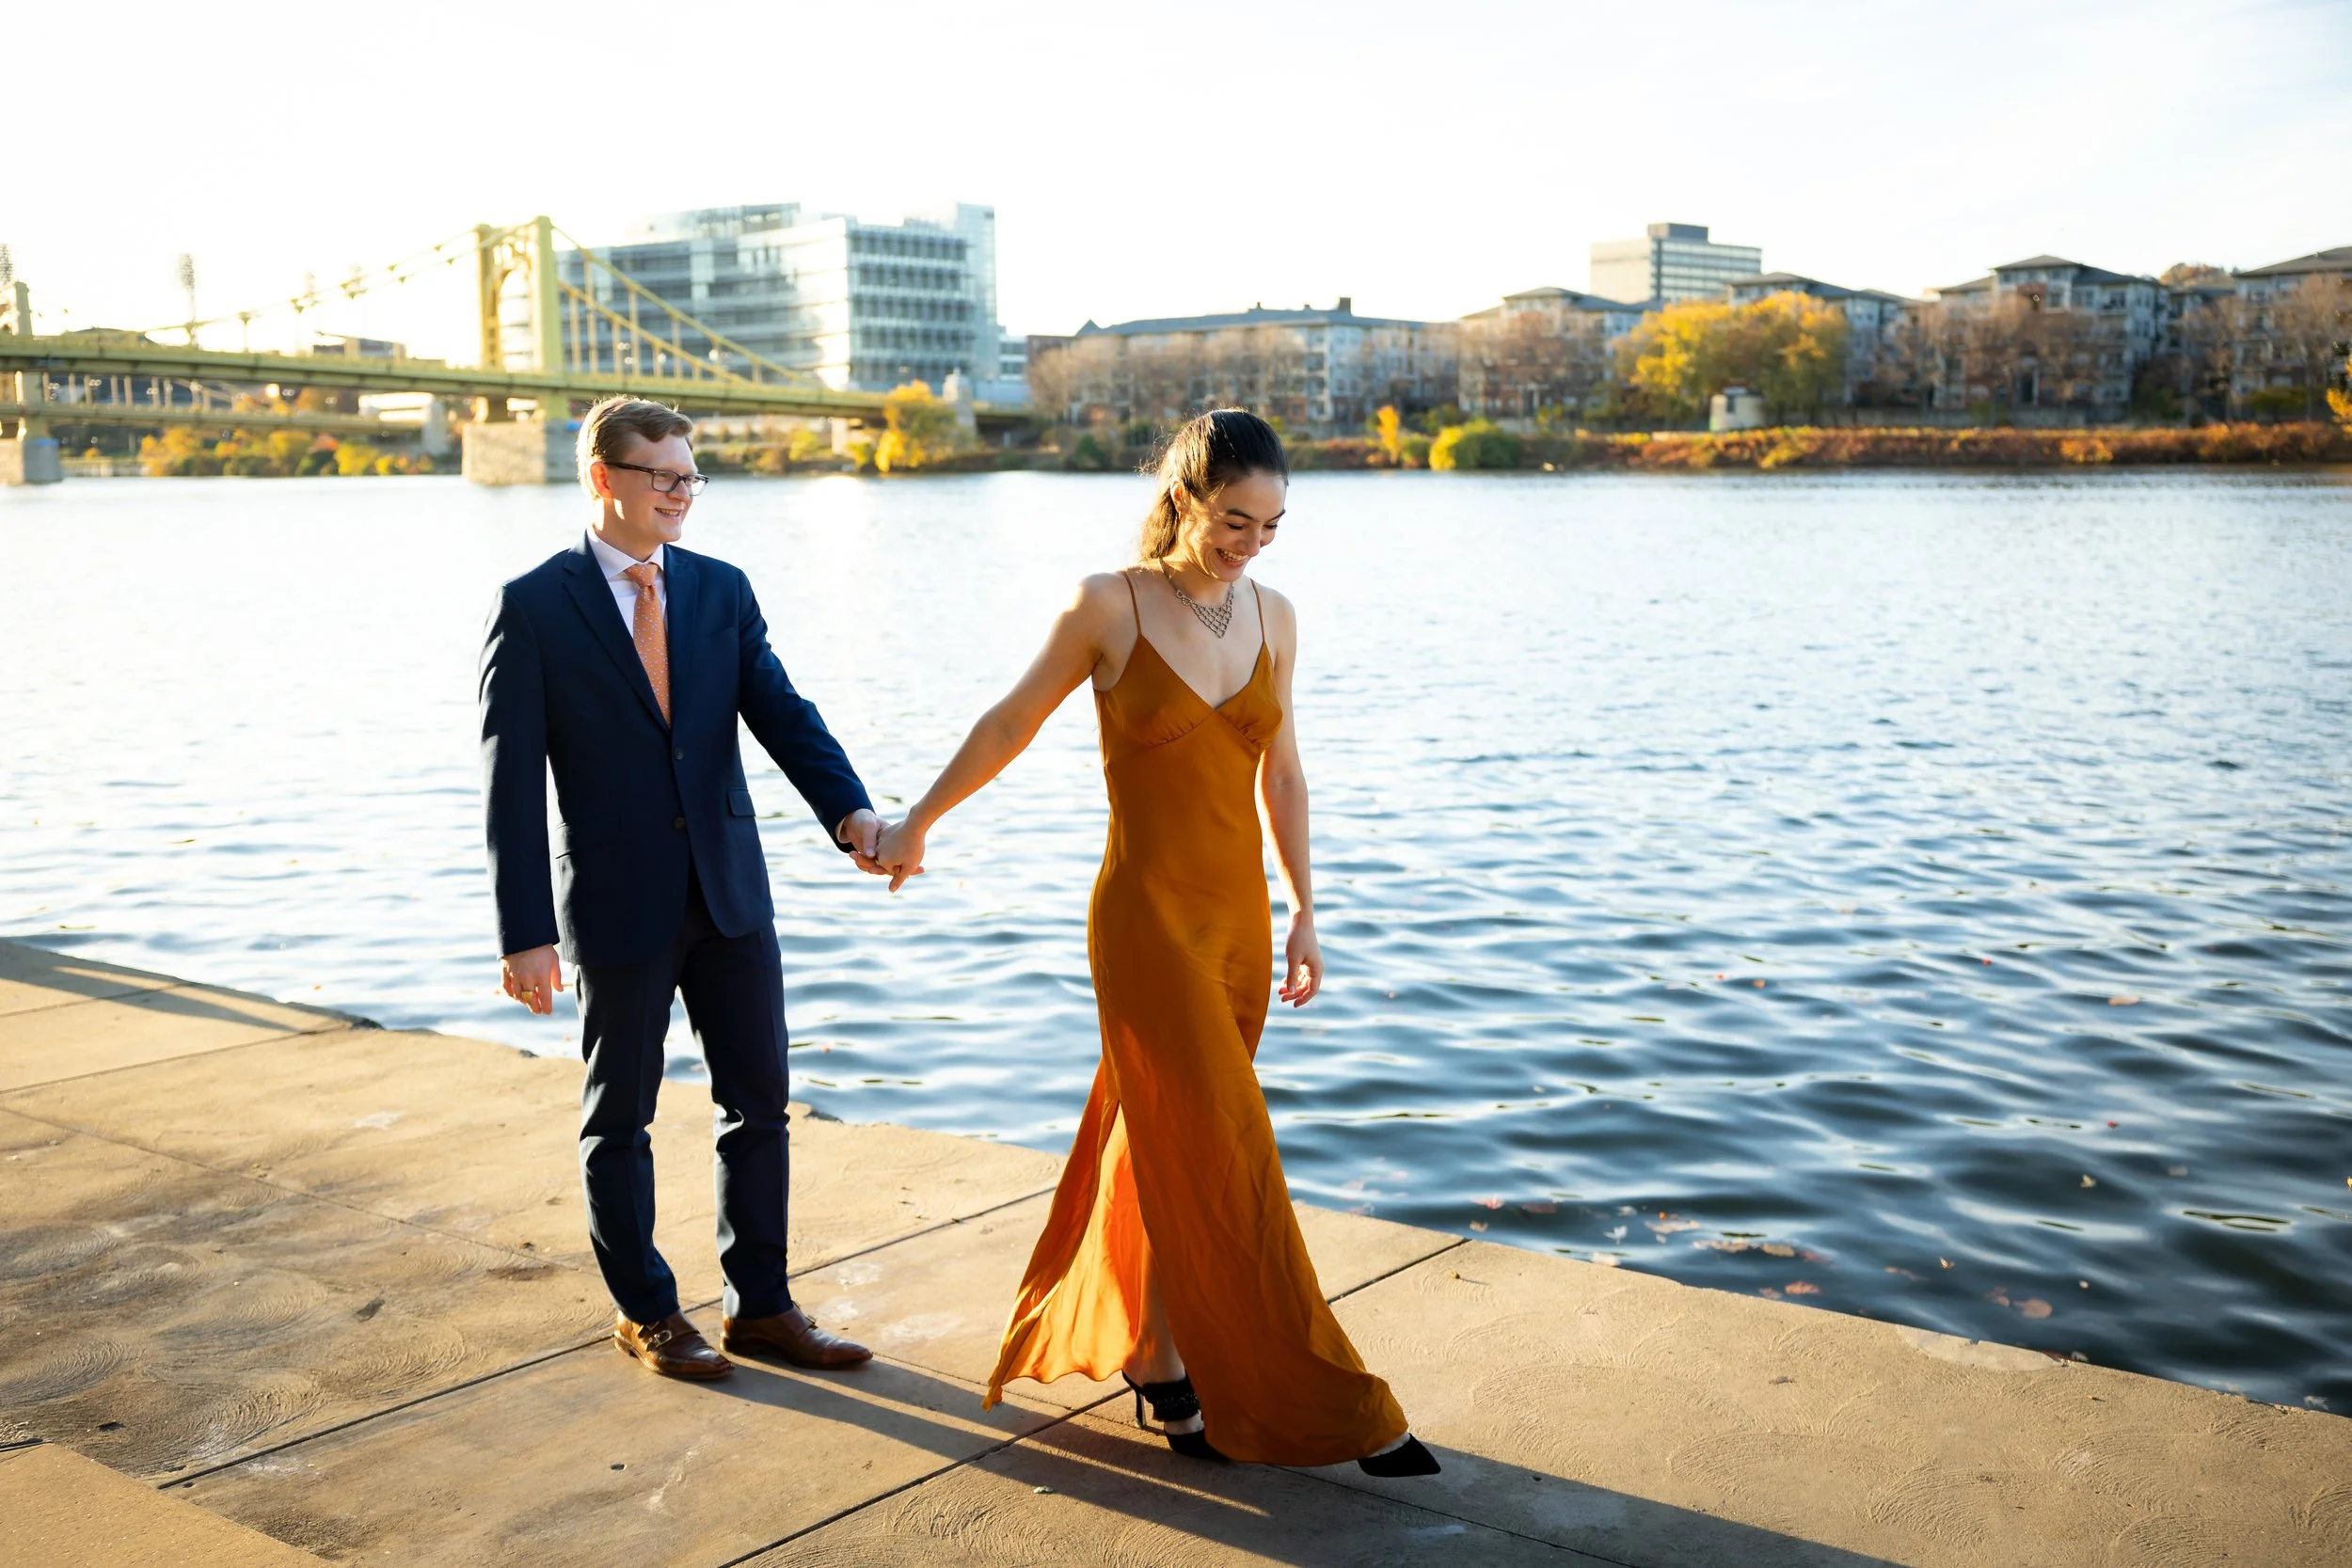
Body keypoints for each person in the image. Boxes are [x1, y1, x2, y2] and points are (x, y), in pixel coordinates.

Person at [873, 409, 1438, 1475]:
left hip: (1238, 923)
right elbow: (1008, 722)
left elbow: (1282, 772)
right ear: (1182, 495)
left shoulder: (1275, 614)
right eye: (1235, 519)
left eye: (1271, 525)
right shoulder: (1108, 604)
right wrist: (918, 819)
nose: (1250, 543)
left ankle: (1156, 1354)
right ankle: (1335, 1396)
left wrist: (1308, 906)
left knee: (1168, 1144)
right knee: (1229, 1149)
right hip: (1145, 922)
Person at [479, 396, 879, 1381]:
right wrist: (525, 932)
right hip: (614, 901)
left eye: (688, 475)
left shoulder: (720, 589)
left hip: (730, 891)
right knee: (621, 1113)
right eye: (660, 475)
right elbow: (507, 779)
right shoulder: (533, 605)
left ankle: (762, 1305)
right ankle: (648, 1310)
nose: (679, 493)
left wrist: (853, 815)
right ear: (602, 477)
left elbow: (783, 711)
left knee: (761, 1103)